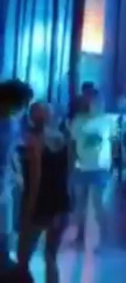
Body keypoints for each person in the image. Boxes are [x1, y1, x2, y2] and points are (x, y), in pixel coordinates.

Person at [18, 102, 71, 283]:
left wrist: (28, 209)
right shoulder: (63, 138)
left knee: (23, 255)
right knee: (51, 255)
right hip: (61, 201)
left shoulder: (34, 141)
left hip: (40, 203)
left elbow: (35, 179)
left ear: (33, 118)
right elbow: (69, 173)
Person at [69, 88, 114, 249]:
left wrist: (112, 165)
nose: (91, 103)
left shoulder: (107, 121)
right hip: (81, 167)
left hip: (100, 168)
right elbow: (72, 144)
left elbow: (113, 143)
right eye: (88, 100)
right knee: (79, 204)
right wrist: (71, 165)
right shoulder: (77, 121)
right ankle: (80, 236)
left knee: (98, 203)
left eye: (94, 100)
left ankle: (101, 237)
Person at [0, 80, 32, 273]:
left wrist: (16, 172)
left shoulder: (12, 124)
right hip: (4, 186)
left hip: (6, 185)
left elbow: (11, 153)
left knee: (6, 232)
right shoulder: (9, 124)